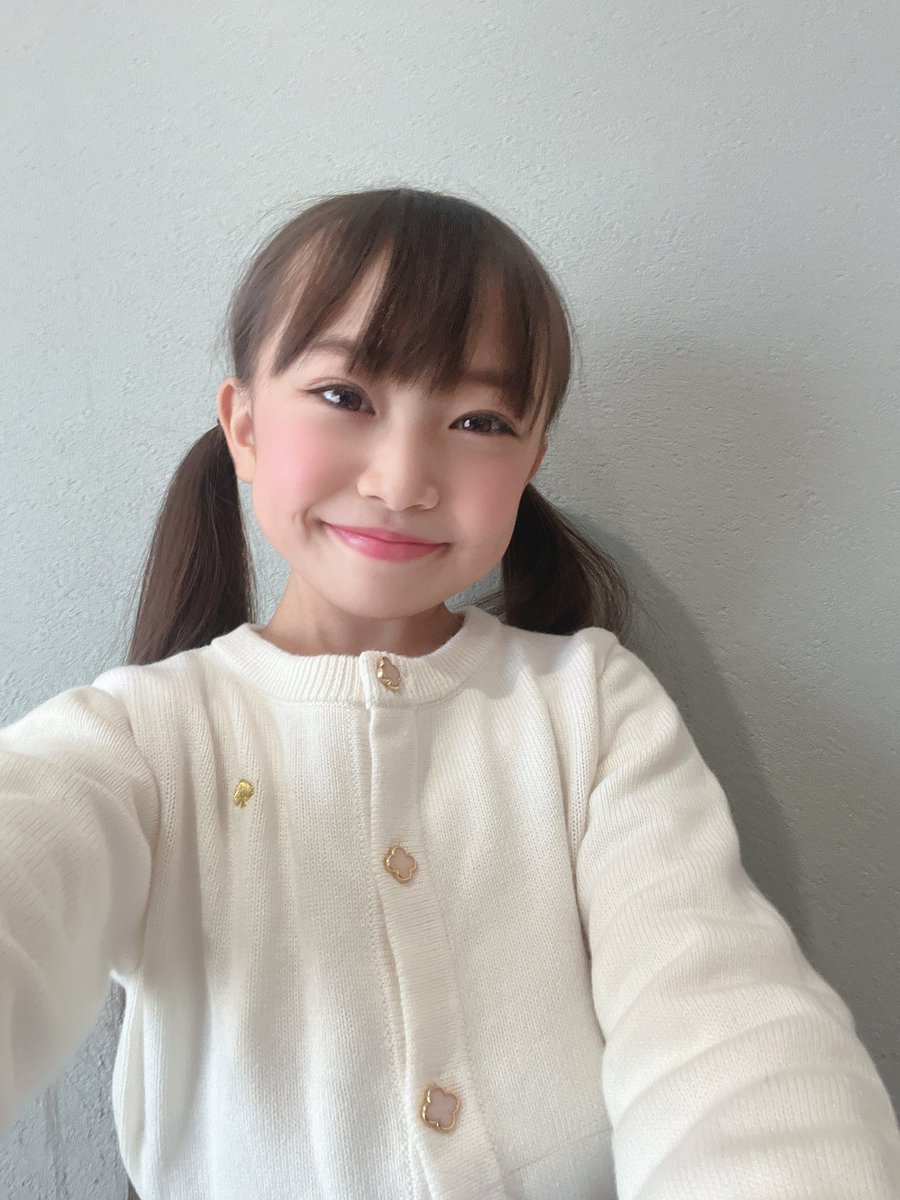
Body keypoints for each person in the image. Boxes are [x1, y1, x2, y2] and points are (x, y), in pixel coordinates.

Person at [0, 186, 897, 1200]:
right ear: (244, 426)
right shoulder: (140, 739)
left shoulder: (591, 707)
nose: (402, 480)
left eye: (478, 420)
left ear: (532, 461)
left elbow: (726, 1021)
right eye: (345, 396)